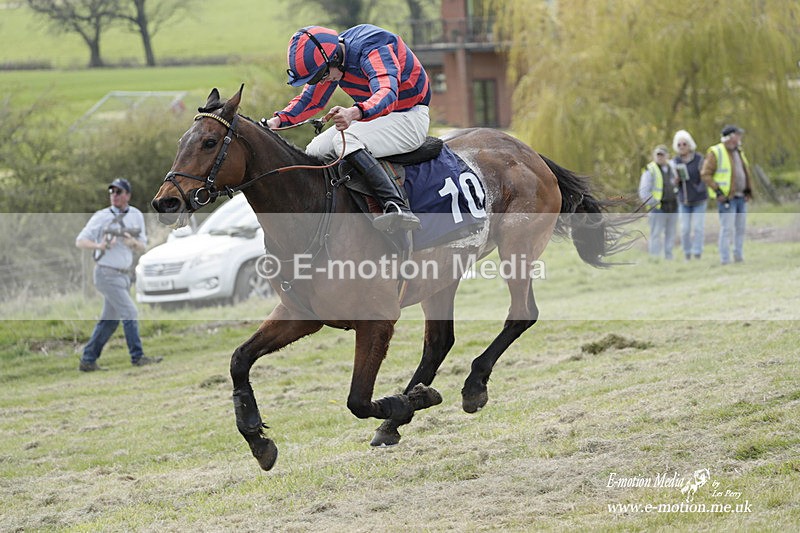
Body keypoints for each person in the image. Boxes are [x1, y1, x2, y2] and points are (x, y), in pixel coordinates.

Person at [262, 24, 430, 232]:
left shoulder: (373, 47)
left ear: (333, 58)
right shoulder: (331, 57)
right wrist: (278, 120)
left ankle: (396, 205)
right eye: (315, 79)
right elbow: (310, 100)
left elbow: (387, 93)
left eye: (320, 75)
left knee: (346, 139)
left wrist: (353, 113)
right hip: (375, 117)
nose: (321, 81)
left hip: (409, 116)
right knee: (314, 150)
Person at [75, 178, 162, 371]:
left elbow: (142, 246)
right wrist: (100, 245)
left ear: (127, 195)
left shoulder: (136, 215)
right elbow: (80, 241)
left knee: (110, 320)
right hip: (106, 274)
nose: (114, 195)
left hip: (124, 276)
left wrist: (132, 242)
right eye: (111, 191)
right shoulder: (101, 216)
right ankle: (137, 357)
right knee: (130, 312)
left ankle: (88, 360)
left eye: (118, 191)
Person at [701, 125, 753, 264]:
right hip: (727, 198)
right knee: (727, 229)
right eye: (737, 135)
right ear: (730, 137)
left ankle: (738, 256)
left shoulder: (739, 152)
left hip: (741, 196)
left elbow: (744, 172)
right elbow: (705, 174)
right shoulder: (716, 152)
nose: (740, 138)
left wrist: (748, 190)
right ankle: (725, 259)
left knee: (740, 229)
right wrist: (718, 191)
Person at [672, 130, 707, 260]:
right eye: (679, 144)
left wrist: (699, 189)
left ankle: (697, 253)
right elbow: (672, 182)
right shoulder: (675, 161)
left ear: (689, 144)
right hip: (684, 200)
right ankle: (687, 253)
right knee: (685, 229)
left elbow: (705, 176)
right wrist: (675, 181)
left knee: (698, 228)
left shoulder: (699, 158)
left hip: (699, 199)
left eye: (684, 144)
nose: (682, 147)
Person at [639, 145, 679, 260]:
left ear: (667, 156)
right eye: (658, 155)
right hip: (658, 208)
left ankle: (669, 258)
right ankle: (655, 259)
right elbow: (643, 191)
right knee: (656, 234)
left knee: (670, 234)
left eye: (662, 155)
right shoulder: (650, 169)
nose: (660, 157)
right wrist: (654, 203)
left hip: (673, 207)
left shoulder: (672, 168)